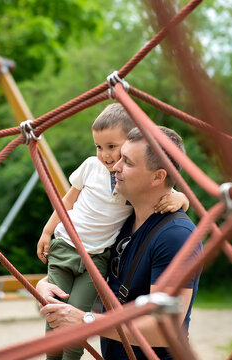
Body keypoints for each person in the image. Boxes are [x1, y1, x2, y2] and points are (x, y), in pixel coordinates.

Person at [37, 104, 190, 360]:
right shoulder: (125, 225)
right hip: (68, 250)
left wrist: (84, 319)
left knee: (69, 336)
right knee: (54, 334)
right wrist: (45, 282)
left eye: (125, 160)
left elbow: (166, 328)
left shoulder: (174, 234)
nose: (113, 165)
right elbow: (70, 206)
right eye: (101, 148)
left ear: (157, 177)